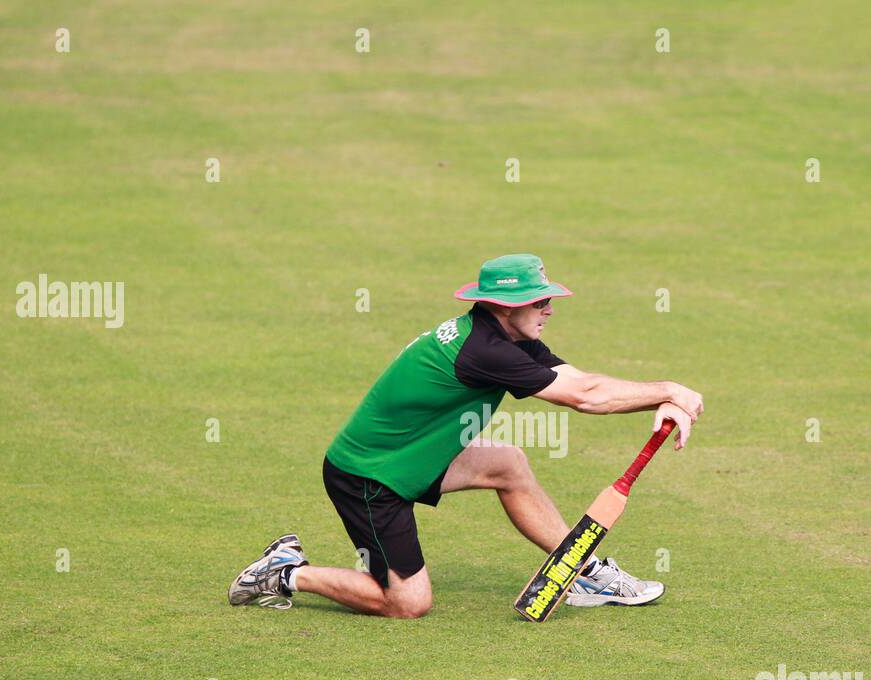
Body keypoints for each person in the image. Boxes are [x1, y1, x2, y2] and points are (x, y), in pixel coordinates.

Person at [228, 253, 703, 618]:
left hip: (413, 455)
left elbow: (579, 380)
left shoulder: (507, 338)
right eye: (539, 300)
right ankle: (286, 572)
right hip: (371, 476)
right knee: (407, 603)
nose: (549, 309)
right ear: (504, 306)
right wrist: (669, 389)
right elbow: (584, 397)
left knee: (507, 463)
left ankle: (584, 573)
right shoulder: (485, 351)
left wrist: (656, 399)